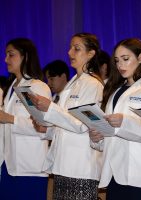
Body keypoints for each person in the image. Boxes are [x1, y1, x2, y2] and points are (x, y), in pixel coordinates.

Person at [89, 38, 141, 200]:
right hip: (115, 175)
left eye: (126, 59)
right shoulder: (114, 91)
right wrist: (98, 137)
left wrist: (124, 122)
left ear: (140, 58)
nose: (120, 65)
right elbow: (111, 133)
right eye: (117, 61)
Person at [29, 33, 104, 200]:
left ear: (91, 54)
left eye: (76, 49)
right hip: (62, 166)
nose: (70, 53)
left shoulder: (93, 84)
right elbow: (63, 123)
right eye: (71, 48)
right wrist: (45, 127)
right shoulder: (73, 82)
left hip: (81, 168)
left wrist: (50, 108)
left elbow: (82, 125)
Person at [0, 38, 52, 199]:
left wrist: (10, 119)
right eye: (6, 55)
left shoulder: (37, 86)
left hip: (29, 168)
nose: (6, 59)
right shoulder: (11, 87)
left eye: (11, 55)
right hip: (8, 166)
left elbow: (44, 127)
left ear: (26, 57)